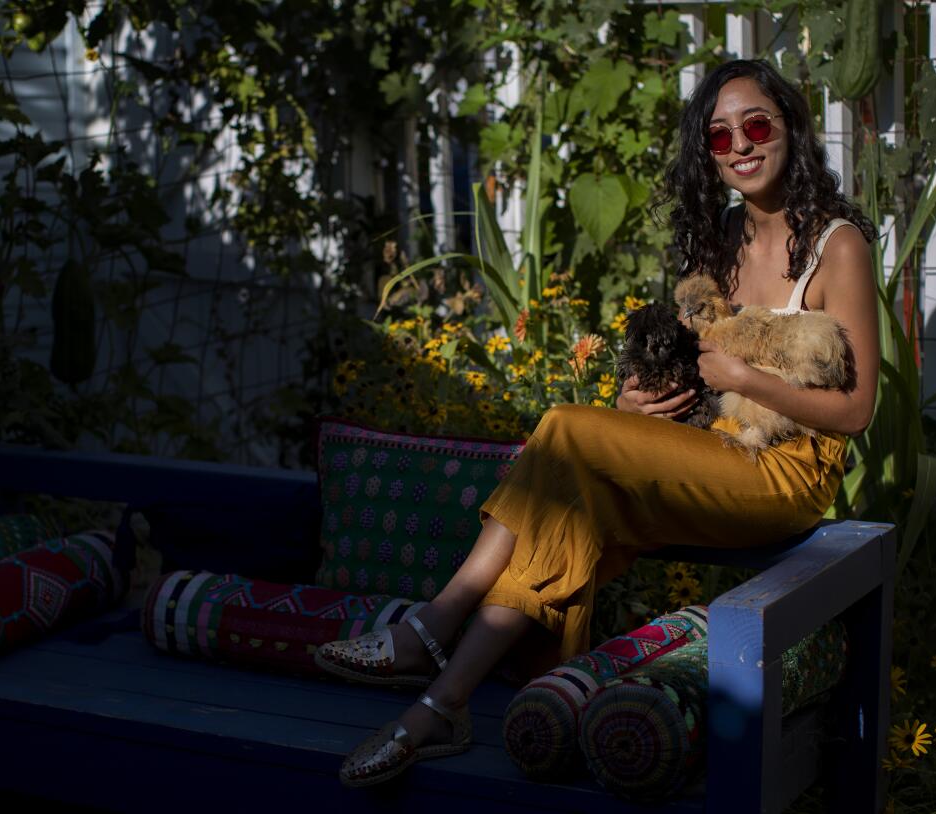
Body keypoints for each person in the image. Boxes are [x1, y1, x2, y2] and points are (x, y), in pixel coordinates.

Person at [315, 58, 880, 788]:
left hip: (786, 473)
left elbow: (857, 410)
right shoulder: (724, 238)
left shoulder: (839, 247)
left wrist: (744, 376)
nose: (740, 145)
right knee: (570, 505)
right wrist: (635, 407)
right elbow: (689, 372)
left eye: (758, 125)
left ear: (791, 130)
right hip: (708, 451)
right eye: (719, 136)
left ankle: (431, 626)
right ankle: (441, 706)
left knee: (562, 429)